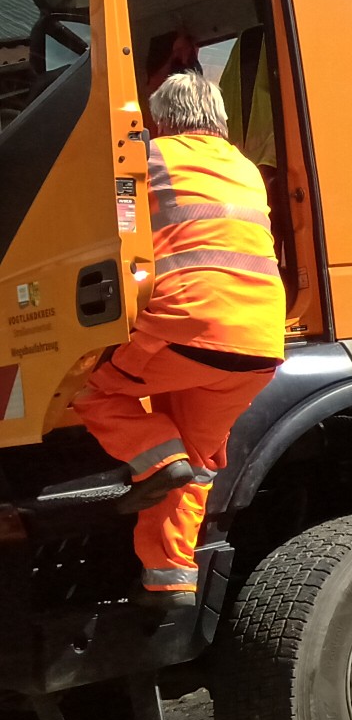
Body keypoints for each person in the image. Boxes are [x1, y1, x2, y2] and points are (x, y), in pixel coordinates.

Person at [71, 70, 286, 603]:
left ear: (162, 119)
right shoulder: (247, 170)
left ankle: (157, 460)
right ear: (220, 120)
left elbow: (112, 224)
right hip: (261, 343)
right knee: (199, 458)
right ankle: (170, 584)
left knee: (86, 391)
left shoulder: (150, 157)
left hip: (186, 329)